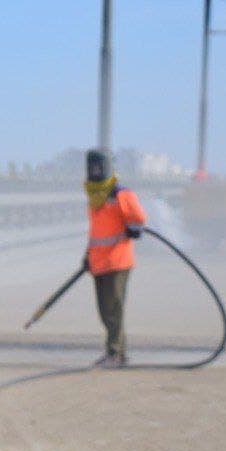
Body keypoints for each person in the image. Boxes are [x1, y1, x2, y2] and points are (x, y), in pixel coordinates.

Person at [83, 149, 147, 368]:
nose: (95, 171)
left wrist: (134, 229)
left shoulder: (120, 194)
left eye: (99, 167)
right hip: (99, 262)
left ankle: (115, 353)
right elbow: (96, 231)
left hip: (118, 261)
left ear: (107, 168)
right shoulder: (94, 196)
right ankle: (117, 352)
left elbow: (138, 217)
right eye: (91, 167)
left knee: (114, 309)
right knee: (105, 311)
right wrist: (87, 256)